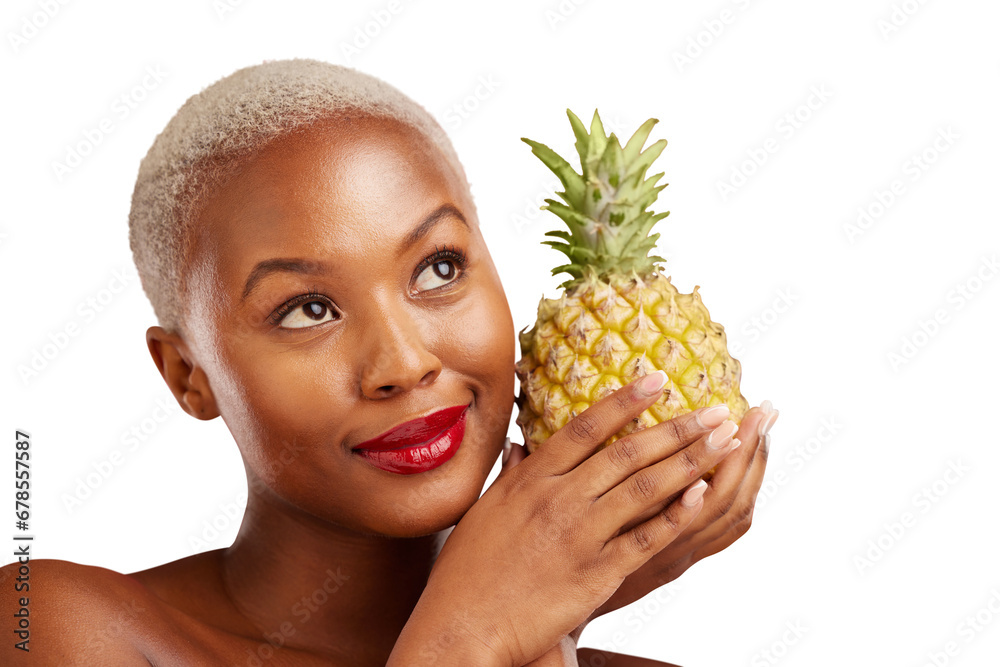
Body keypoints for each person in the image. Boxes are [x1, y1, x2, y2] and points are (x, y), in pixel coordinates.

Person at [0, 59, 777, 666]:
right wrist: (465, 640)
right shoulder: (50, 625)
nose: (403, 363)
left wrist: (547, 623)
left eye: (438, 268)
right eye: (308, 308)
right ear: (186, 375)